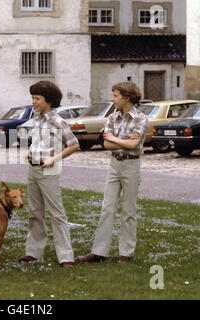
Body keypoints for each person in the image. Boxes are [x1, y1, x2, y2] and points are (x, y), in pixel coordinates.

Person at [77, 81, 148, 264]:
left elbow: (134, 145)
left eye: (116, 95)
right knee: (107, 207)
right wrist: (122, 142)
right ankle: (99, 252)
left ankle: (126, 252)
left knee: (129, 210)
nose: (113, 99)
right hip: (115, 164)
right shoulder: (112, 118)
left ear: (127, 97)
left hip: (131, 165)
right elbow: (106, 144)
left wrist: (115, 139)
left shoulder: (141, 118)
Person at [19, 81, 79, 268]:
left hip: (49, 169)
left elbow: (74, 145)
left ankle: (66, 257)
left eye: (37, 98)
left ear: (49, 101)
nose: (34, 101)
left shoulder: (58, 121)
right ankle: (34, 253)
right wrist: (30, 150)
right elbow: (37, 142)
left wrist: (55, 159)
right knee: (35, 213)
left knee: (56, 213)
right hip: (33, 169)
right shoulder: (37, 119)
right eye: (33, 98)